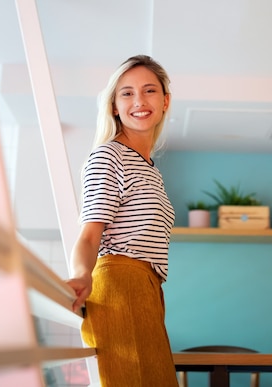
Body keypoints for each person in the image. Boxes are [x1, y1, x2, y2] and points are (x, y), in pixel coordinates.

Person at [65, 55, 178, 387]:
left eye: (149, 91)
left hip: (146, 290)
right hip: (120, 287)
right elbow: (90, 234)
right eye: (126, 93)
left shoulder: (149, 168)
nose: (139, 101)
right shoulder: (109, 154)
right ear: (114, 106)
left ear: (164, 100)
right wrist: (81, 274)